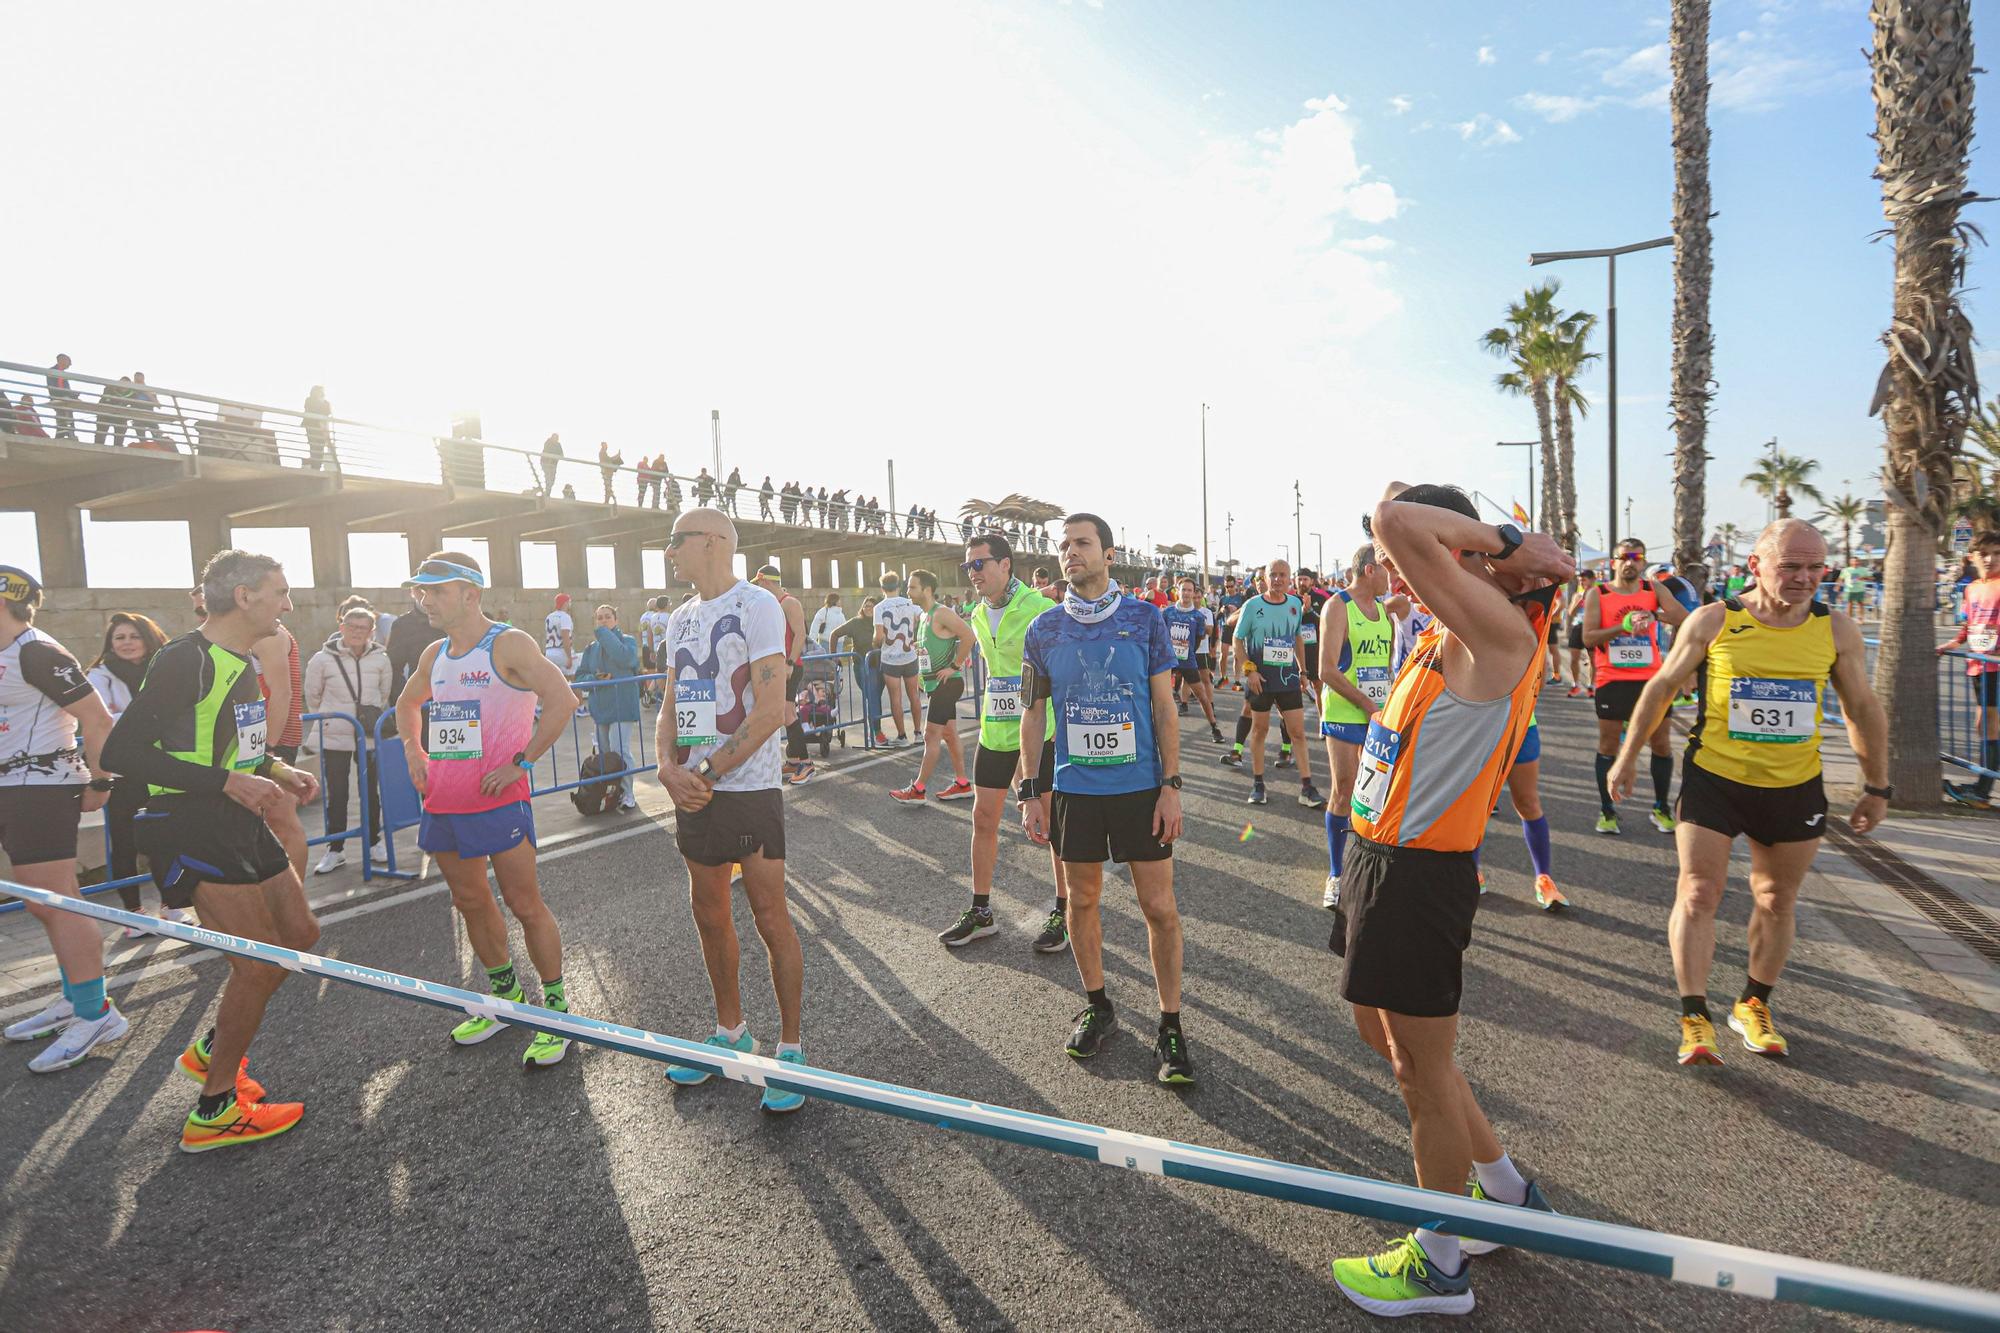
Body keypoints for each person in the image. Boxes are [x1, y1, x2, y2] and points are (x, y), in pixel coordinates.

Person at [1328, 485, 1571, 1316]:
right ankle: (1504, 1193)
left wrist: (1507, 538)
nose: (1393, 568)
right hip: (1376, 858)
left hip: (1418, 876)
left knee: (1419, 1072)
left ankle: (1438, 1263)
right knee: (1383, 1033)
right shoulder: (1444, 621)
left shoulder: (1498, 633)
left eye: (1410, 561)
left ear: (1465, 557)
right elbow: (1399, 513)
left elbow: (1394, 519)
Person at [1608, 519, 1890, 1067]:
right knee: (1698, 893)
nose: (1805, 578)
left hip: (1793, 784)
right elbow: (1663, 685)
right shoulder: (1714, 620)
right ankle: (1694, 1017)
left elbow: (1861, 708)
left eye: (1815, 567)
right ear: (1755, 566)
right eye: (1790, 566)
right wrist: (1627, 758)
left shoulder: (1837, 630)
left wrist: (1876, 786)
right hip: (1716, 778)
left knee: (1776, 899)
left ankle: (1753, 1004)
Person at [99, 551, 326, 1149]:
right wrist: (225, 782)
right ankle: (215, 1110)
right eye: (280, 592)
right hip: (190, 819)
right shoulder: (184, 660)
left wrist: (276, 768)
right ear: (244, 596)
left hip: (237, 814)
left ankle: (211, 1051)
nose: (288, 604)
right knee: (255, 963)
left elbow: (236, 748)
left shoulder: (244, 661)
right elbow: (121, 753)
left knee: (299, 937)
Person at [1018, 514, 1190, 1081]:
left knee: (1158, 909)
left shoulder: (1145, 619)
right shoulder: (1043, 628)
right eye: (1062, 544)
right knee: (1081, 902)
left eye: (1082, 543)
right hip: (1074, 790)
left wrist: (1171, 785)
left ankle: (1170, 1023)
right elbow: (1032, 711)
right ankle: (1099, 1005)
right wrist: (1030, 789)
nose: (1070, 552)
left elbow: (1165, 707)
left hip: (1140, 788)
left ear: (1109, 554)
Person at [395, 552, 582, 1067]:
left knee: (524, 904)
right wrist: (416, 751)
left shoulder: (508, 643)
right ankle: (505, 1002)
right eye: (420, 591)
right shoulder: (435, 653)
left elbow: (563, 700)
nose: (424, 600)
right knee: (470, 902)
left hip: (499, 802)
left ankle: (556, 1012)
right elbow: (406, 705)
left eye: (435, 591)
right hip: (444, 803)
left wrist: (521, 762)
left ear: (470, 594)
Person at [655, 509, 808, 1114]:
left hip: (746, 788)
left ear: (714, 543)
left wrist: (708, 772)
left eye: (677, 540)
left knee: (771, 916)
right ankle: (729, 1033)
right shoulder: (680, 617)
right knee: (710, 913)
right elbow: (670, 700)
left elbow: (772, 705)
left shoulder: (757, 606)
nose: (669, 551)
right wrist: (666, 768)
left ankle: (791, 1049)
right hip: (694, 788)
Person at [0, 568, 128, 1074]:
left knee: (57, 903)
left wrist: (100, 782)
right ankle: (75, 998)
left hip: (41, 788)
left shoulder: (38, 652)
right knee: (44, 904)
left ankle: (96, 1013)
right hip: (14, 789)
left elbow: (98, 720)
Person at [937, 533, 1068, 952]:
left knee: (1050, 826)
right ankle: (981, 912)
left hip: (1039, 731)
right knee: (983, 818)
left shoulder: (1040, 609)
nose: (973, 573)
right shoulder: (976, 614)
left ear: (1005, 565)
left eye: (980, 564)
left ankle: (1065, 912)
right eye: (968, 566)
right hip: (995, 730)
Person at [1582, 540, 1690, 836]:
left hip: (1652, 681)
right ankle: (1607, 810)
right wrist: (1624, 626)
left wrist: (1655, 616)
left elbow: (1684, 618)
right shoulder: (1598, 594)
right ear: (1614, 562)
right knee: (1608, 745)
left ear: (1643, 562)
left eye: (1637, 557)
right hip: (1612, 679)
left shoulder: (1654, 590)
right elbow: (1589, 638)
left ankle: (1660, 807)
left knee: (1662, 744)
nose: (1630, 562)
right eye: (1624, 557)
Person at [84, 611, 181, 931]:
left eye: (133, 636)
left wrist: (124, 716)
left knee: (164, 837)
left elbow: (175, 712)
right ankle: (133, 913)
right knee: (123, 842)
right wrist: (145, 717)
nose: (127, 643)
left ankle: (171, 904)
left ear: (148, 637)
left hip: (158, 767)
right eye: (119, 638)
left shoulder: (163, 667)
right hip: (121, 772)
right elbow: (100, 720)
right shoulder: (99, 674)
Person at [1317, 546, 1395, 913]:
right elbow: (1327, 670)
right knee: (1344, 791)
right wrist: (1367, 704)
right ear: (1369, 570)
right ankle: (1335, 874)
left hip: (1379, 716)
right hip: (1346, 714)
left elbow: (1386, 669)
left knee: (1376, 797)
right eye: (1386, 571)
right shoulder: (1337, 606)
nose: (1390, 578)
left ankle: (1367, 869)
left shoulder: (1384, 612)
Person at [1231, 559, 1326, 810]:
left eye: (1283, 575)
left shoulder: (1295, 604)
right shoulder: (1252, 605)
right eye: (1273, 575)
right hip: (1260, 680)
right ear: (1265, 578)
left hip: (1288, 679)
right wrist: (1249, 670)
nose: (1277, 579)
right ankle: (1258, 783)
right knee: (1260, 731)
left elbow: (1296, 638)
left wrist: (1303, 671)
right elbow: (1237, 639)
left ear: (1289, 578)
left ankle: (1307, 786)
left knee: (1298, 733)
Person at [302, 606, 391, 872]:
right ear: (341, 627)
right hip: (335, 734)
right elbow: (313, 696)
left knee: (371, 792)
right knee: (337, 793)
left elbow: (383, 693)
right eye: (351, 627)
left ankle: (375, 841)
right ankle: (335, 849)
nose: (356, 632)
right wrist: (330, 719)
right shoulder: (321, 659)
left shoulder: (381, 659)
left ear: (371, 631)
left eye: (362, 628)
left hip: (368, 735)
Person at [890, 569, 974, 803]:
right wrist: (920, 655)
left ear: (927, 589)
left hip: (947, 683)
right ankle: (962, 783)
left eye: (912, 587)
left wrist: (955, 666)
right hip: (936, 685)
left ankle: (918, 789)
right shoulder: (925, 617)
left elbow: (969, 636)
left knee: (930, 735)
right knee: (949, 733)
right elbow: (933, 648)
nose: (908, 591)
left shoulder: (942, 613)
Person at [1941, 529, 2000, 806]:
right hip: (1978, 665)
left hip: (1996, 665)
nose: (1990, 559)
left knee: (1989, 725)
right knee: (1985, 725)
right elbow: (1968, 625)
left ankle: (1982, 791)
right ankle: (1982, 789)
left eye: (1997, 554)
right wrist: (1950, 644)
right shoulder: (1971, 588)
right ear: (1972, 557)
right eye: (1984, 554)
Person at [750, 566, 813, 785]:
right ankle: (794, 760)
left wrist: (789, 664)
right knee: (783, 714)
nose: (758, 587)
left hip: (790, 666)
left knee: (787, 714)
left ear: (766, 581)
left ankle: (806, 763)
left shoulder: (788, 602)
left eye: (759, 583)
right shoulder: (773, 604)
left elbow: (801, 634)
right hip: (778, 668)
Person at [577, 604, 642, 812]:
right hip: (601, 705)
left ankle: (628, 792)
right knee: (606, 753)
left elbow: (626, 658)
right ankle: (611, 793)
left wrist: (605, 636)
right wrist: (594, 678)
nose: (603, 621)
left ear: (616, 620)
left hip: (622, 702)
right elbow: (581, 675)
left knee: (620, 750)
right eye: (599, 618)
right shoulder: (590, 648)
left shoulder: (628, 641)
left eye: (607, 617)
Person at [1162, 577, 1222, 743]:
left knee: (1202, 696)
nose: (1187, 593)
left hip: (1188, 661)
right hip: (1168, 662)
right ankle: (1155, 730)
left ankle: (1214, 728)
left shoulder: (1198, 616)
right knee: (1158, 696)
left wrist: (1186, 654)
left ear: (1194, 593)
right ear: (1178, 591)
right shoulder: (1167, 613)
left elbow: (1199, 638)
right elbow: (1161, 637)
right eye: (1184, 590)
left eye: (1190, 590)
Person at [872, 573, 924, 747]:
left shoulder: (879, 608)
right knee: (914, 696)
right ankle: (918, 733)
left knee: (896, 698)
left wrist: (876, 643)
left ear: (882, 588)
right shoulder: (911, 604)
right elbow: (924, 620)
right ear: (899, 587)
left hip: (890, 659)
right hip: (910, 656)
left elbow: (878, 637)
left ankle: (902, 736)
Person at [387, 586, 445, 700]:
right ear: (412, 591)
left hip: (457, 697)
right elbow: (393, 668)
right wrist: (406, 700)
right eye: (421, 589)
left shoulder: (456, 619)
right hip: (422, 703)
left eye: (432, 589)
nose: (426, 595)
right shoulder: (403, 625)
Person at [94, 375, 136, 447]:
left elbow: (134, 405)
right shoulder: (109, 389)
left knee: (120, 433)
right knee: (100, 436)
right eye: (122, 383)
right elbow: (103, 400)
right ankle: (98, 445)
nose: (123, 386)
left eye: (126, 384)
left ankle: (118, 446)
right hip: (106, 414)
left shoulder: (132, 394)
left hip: (120, 416)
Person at [543, 592, 577, 677]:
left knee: (555, 681)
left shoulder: (549, 617)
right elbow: (565, 637)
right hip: (561, 652)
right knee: (573, 680)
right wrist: (569, 657)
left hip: (549, 652)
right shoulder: (565, 617)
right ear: (565, 603)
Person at [303, 385, 336, 471]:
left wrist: (327, 433)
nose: (321, 393)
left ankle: (317, 467)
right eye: (319, 391)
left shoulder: (326, 403)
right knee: (314, 446)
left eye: (322, 391)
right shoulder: (309, 400)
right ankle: (315, 467)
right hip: (311, 426)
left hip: (321, 428)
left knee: (320, 447)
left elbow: (326, 419)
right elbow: (309, 412)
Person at [46, 353, 77, 439]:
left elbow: (66, 388)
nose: (69, 364)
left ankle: (68, 434)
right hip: (59, 399)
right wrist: (65, 394)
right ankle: (64, 435)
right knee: (63, 419)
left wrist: (73, 394)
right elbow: (53, 388)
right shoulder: (52, 371)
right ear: (62, 360)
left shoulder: (63, 374)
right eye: (68, 362)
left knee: (67, 418)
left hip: (65, 399)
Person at [597, 441, 623, 506]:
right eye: (605, 445)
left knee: (608, 487)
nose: (606, 446)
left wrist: (617, 456)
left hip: (607, 472)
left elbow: (609, 460)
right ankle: (613, 499)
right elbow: (608, 460)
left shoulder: (603, 453)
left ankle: (608, 501)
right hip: (606, 472)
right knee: (608, 487)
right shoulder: (602, 453)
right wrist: (617, 456)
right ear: (603, 446)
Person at [539, 433, 563, 497]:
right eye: (554, 437)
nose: (555, 439)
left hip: (553, 464)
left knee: (552, 480)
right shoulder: (548, 442)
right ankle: (547, 494)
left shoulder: (558, 445)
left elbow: (561, 454)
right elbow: (547, 451)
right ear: (551, 437)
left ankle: (546, 493)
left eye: (556, 438)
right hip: (545, 463)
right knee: (548, 478)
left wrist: (557, 457)